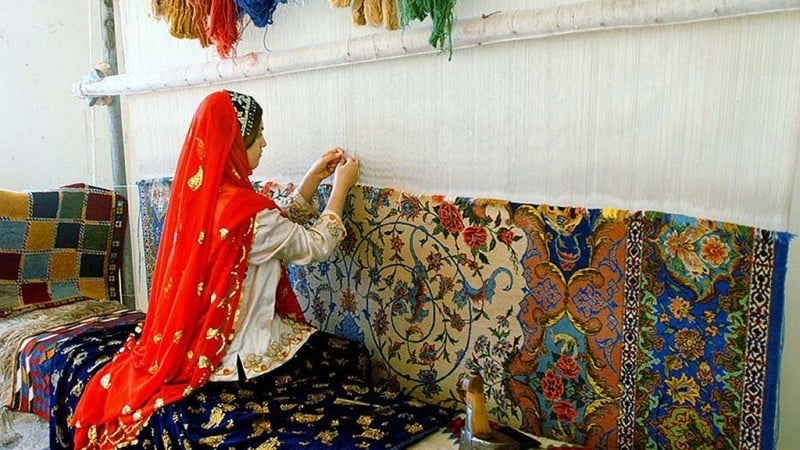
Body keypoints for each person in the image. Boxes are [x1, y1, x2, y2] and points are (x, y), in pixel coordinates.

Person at [71, 90, 359, 449]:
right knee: (347, 361)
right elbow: (313, 245)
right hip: (242, 352)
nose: (265, 142)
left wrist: (311, 182)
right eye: (259, 134)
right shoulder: (247, 212)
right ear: (236, 141)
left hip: (198, 340)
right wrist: (341, 190)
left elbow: (269, 227)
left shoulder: (206, 196)